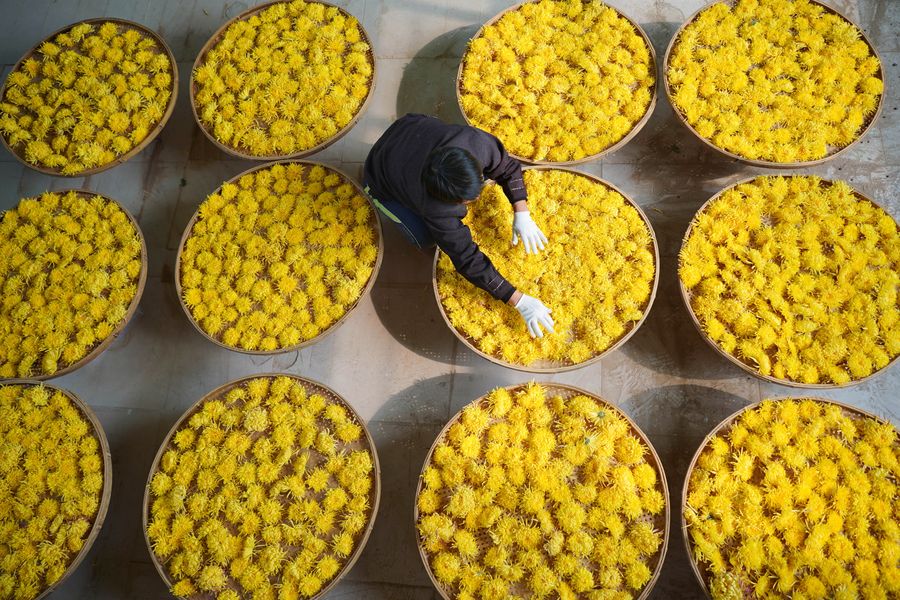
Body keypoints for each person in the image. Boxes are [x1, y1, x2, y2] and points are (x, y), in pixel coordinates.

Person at [363, 113, 554, 338]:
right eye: (467, 201)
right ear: (447, 200)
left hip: (409, 127)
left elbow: (508, 168)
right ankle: (384, 199)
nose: (476, 199)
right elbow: (467, 260)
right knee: (425, 237)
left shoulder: (476, 143)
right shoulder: (434, 208)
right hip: (380, 172)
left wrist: (522, 212)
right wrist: (519, 300)